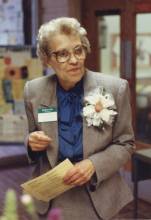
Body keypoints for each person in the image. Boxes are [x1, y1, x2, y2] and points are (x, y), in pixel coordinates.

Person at [24, 17, 135, 220]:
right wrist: (31, 143)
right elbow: (32, 135)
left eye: (78, 50)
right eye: (62, 54)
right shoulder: (34, 90)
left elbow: (125, 142)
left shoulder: (115, 89)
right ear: (47, 59)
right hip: (52, 199)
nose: (74, 60)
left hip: (99, 197)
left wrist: (94, 164)